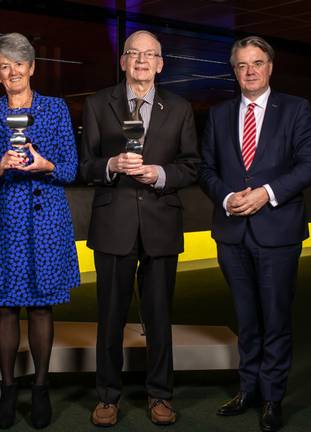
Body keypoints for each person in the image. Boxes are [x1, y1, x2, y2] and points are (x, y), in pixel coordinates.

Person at [198, 36, 311, 432]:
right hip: (232, 233)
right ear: (234, 71)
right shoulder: (218, 115)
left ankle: (272, 397)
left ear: (270, 67)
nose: (249, 71)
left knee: (275, 318)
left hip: (278, 232)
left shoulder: (295, 110)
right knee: (246, 319)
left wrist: (267, 194)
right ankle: (248, 388)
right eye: (241, 65)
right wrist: (226, 196)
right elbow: (205, 170)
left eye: (257, 63)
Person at [79, 30, 199, 427]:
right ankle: (108, 397)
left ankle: (160, 395)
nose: (142, 60)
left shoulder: (180, 108)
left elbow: (191, 165)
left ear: (161, 64)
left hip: (161, 221)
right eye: (135, 53)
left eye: (151, 55)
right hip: (114, 221)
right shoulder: (98, 104)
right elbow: (85, 166)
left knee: (159, 316)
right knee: (110, 317)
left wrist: (160, 173)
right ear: (123, 61)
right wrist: (111, 166)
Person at [0, 32, 80, 430]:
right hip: (2, 219)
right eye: (4, 65)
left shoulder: (56, 108)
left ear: (32, 67)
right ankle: (9, 388)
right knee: (5, 307)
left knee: (41, 306)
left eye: (20, 63)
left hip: (46, 218)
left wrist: (44, 164)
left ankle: (41, 387)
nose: (13, 71)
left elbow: (70, 167)